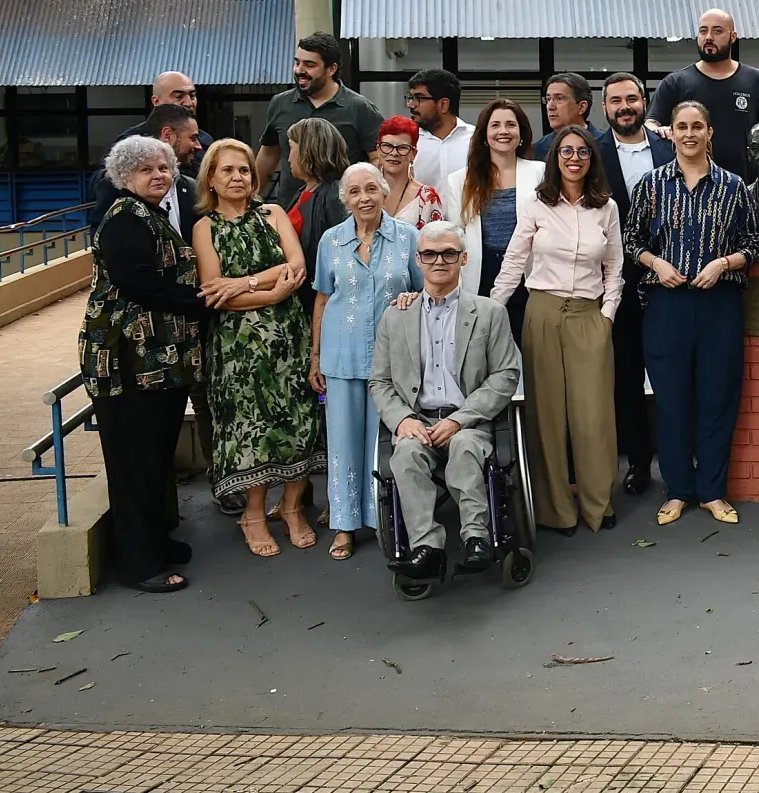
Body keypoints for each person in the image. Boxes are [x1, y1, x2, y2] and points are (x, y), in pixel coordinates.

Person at [79, 136, 210, 592]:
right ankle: (141, 563)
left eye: (163, 167)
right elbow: (139, 283)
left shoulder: (149, 215)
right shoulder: (123, 219)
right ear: (124, 178)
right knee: (135, 462)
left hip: (158, 359)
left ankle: (156, 541)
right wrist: (206, 301)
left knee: (155, 457)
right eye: (145, 170)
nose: (158, 175)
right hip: (128, 365)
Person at [626, 101, 759, 528]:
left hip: (718, 302)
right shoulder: (650, 185)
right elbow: (630, 239)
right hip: (667, 305)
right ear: (671, 132)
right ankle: (678, 490)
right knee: (671, 402)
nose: (689, 133)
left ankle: (713, 491)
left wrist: (724, 263)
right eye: (681, 126)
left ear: (709, 133)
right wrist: (656, 263)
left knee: (717, 398)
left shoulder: (733, 186)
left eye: (697, 126)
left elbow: (755, 242)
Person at [191, 139, 325, 559]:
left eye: (244, 170)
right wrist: (269, 294)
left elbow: (297, 267)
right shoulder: (205, 227)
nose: (237, 177)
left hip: (290, 338)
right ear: (210, 179)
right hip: (239, 349)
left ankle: (291, 508)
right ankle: (252, 514)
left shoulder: (273, 213)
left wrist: (245, 282)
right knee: (252, 429)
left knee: (298, 420)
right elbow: (216, 295)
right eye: (227, 170)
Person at [367, 220, 523, 580]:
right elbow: (380, 380)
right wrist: (403, 420)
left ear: (463, 258)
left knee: (466, 446)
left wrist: (459, 419)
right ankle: (426, 548)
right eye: (430, 254)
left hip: (468, 421)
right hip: (417, 420)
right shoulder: (396, 316)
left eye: (449, 253)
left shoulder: (489, 313)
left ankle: (476, 539)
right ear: (418, 259)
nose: (439, 261)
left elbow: (506, 375)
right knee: (404, 453)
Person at [494, 126, 625, 536]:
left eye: (582, 152)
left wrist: (606, 316)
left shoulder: (606, 208)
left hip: (589, 315)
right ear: (555, 159)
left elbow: (615, 268)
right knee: (547, 415)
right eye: (566, 151)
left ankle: (596, 505)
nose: (573, 158)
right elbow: (515, 261)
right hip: (544, 312)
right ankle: (555, 511)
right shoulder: (536, 205)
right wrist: (490, 310)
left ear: (591, 159)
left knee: (593, 415)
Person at [308, 162, 421, 560]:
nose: (364, 198)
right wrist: (315, 356)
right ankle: (344, 525)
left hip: (392, 360)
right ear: (345, 199)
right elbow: (322, 298)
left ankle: (384, 518)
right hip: (341, 355)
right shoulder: (330, 241)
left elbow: (426, 292)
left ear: (384, 192)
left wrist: (412, 298)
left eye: (371, 189)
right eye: (354, 192)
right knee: (342, 444)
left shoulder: (408, 238)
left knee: (385, 444)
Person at [594, 72, 675, 495]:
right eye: (615, 101)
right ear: (603, 108)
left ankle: (682, 460)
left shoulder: (670, 145)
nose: (624, 106)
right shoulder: (592, 152)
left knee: (673, 372)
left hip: (670, 278)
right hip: (615, 282)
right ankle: (639, 463)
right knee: (625, 377)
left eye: (631, 98)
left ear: (644, 102)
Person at [442, 99, 544, 342]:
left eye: (511, 124)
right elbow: (457, 234)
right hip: (481, 275)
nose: (503, 131)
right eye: (495, 125)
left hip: (528, 274)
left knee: (531, 355)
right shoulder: (460, 180)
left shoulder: (540, 172)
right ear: (484, 135)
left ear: (521, 134)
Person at [645, 8, 759, 178]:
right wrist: (661, 131)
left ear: (733, 36)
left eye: (717, 31)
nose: (709, 37)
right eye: (703, 31)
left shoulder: (757, 80)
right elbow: (650, 124)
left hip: (745, 186)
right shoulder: (675, 83)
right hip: (689, 188)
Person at [257, 32, 382, 206]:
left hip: (341, 213)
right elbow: (269, 154)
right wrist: (251, 198)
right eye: (297, 62)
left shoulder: (359, 108)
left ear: (332, 69)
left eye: (309, 65)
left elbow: (377, 159)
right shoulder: (281, 103)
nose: (300, 70)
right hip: (290, 211)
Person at [89, 104, 201, 232]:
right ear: (168, 135)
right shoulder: (115, 188)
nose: (199, 146)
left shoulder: (190, 186)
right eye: (193, 138)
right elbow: (101, 240)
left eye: (163, 168)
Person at [286, 117, 352, 313]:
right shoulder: (304, 191)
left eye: (291, 148)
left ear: (308, 151)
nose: (288, 158)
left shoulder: (334, 196)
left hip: (320, 302)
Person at [375, 116, 446, 228]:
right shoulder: (363, 191)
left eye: (402, 147)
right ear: (378, 150)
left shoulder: (427, 198)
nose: (394, 153)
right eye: (387, 146)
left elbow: (437, 241)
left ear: (413, 154)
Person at [406, 68, 472, 187]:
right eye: (411, 97)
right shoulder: (407, 141)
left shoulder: (476, 139)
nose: (410, 104)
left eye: (418, 98)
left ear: (443, 105)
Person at [534, 72, 594, 160]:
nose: (550, 107)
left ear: (581, 107)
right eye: (548, 99)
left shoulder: (604, 144)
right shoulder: (538, 149)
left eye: (559, 98)